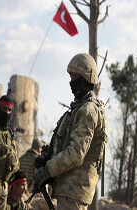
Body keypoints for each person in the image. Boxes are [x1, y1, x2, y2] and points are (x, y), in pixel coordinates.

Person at [33, 53, 108, 210]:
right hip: (70, 190)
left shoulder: (88, 110)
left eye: (74, 76)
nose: (71, 81)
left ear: (85, 77)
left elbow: (76, 153)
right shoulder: (80, 109)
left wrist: (47, 171)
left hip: (74, 190)